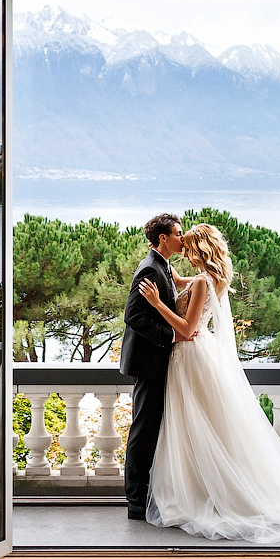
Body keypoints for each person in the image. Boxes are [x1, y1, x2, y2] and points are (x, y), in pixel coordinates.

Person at [135, 222, 280, 543]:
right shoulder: (212, 278)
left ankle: (202, 491)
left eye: (188, 246)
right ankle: (203, 485)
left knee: (193, 426)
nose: (184, 251)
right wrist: (167, 269)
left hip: (189, 356)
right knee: (200, 427)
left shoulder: (203, 281)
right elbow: (185, 284)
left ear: (200, 249)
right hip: (198, 356)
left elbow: (187, 329)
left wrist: (158, 304)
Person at [119, 212, 192, 520]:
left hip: (158, 359)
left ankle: (150, 494)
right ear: (163, 238)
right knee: (143, 431)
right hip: (149, 361)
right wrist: (172, 336)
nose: (182, 237)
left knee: (152, 429)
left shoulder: (164, 265)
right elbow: (133, 316)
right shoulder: (149, 269)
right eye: (178, 233)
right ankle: (136, 503)